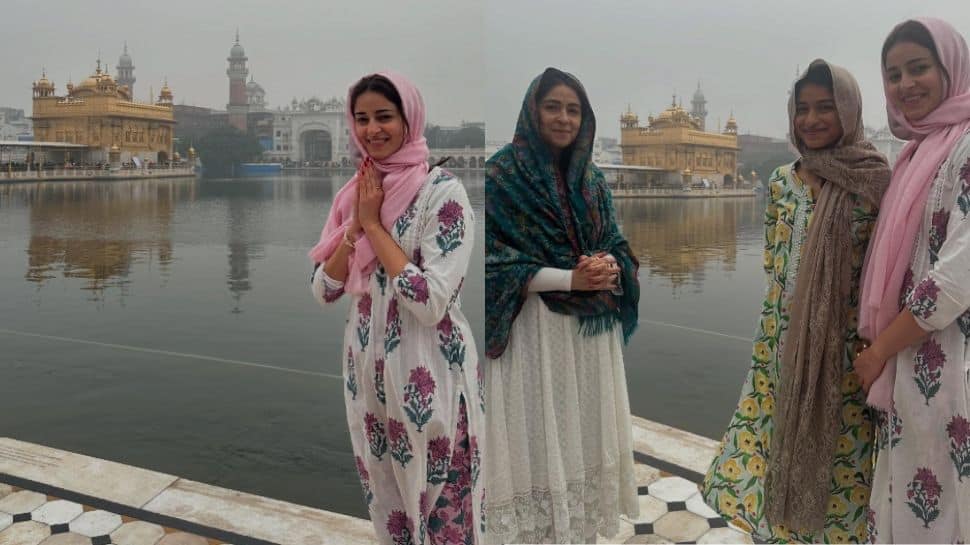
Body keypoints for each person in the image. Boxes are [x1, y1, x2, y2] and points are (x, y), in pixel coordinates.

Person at [702, 59, 891, 542]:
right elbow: (773, 266)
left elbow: (884, 275)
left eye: (825, 107)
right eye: (803, 109)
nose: (812, 119)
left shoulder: (873, 181)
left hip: (843, 354)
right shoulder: (784, 181)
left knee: (839, 456)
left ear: (848, 110)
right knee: (771, 447)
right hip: (779, 348)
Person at [309, 72, 483, 545]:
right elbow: (324, 289)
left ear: (410, 119)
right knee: (390, 511)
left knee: (444, 515)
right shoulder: (358, 190)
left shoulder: (442, 193)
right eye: (362, 119)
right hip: (370, 380)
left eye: (384, 117)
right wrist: (355, 229)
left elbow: (430, 301)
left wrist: (373, 226)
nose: (372, 130)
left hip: (431, 374)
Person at [484, 67, 640, 543]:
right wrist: (569, 277)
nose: (563, 117)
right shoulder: (502, 175)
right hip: (534, 336)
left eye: (573, 109)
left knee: (581, 439)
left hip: (587, 337)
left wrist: (610, 266)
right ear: (533, 110)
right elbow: (493, 262)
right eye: (553, 106)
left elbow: (614, 238)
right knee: (536, 442)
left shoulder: (590, 178)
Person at [853, 18, 970, 543]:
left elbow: (953, 280)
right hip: (910, 370)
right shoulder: (919, 151)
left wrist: (878, 349)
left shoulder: (964, 146)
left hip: (953, 373)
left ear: (951, 68)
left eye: (919, 68)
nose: (906, 85)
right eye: (894, 74)